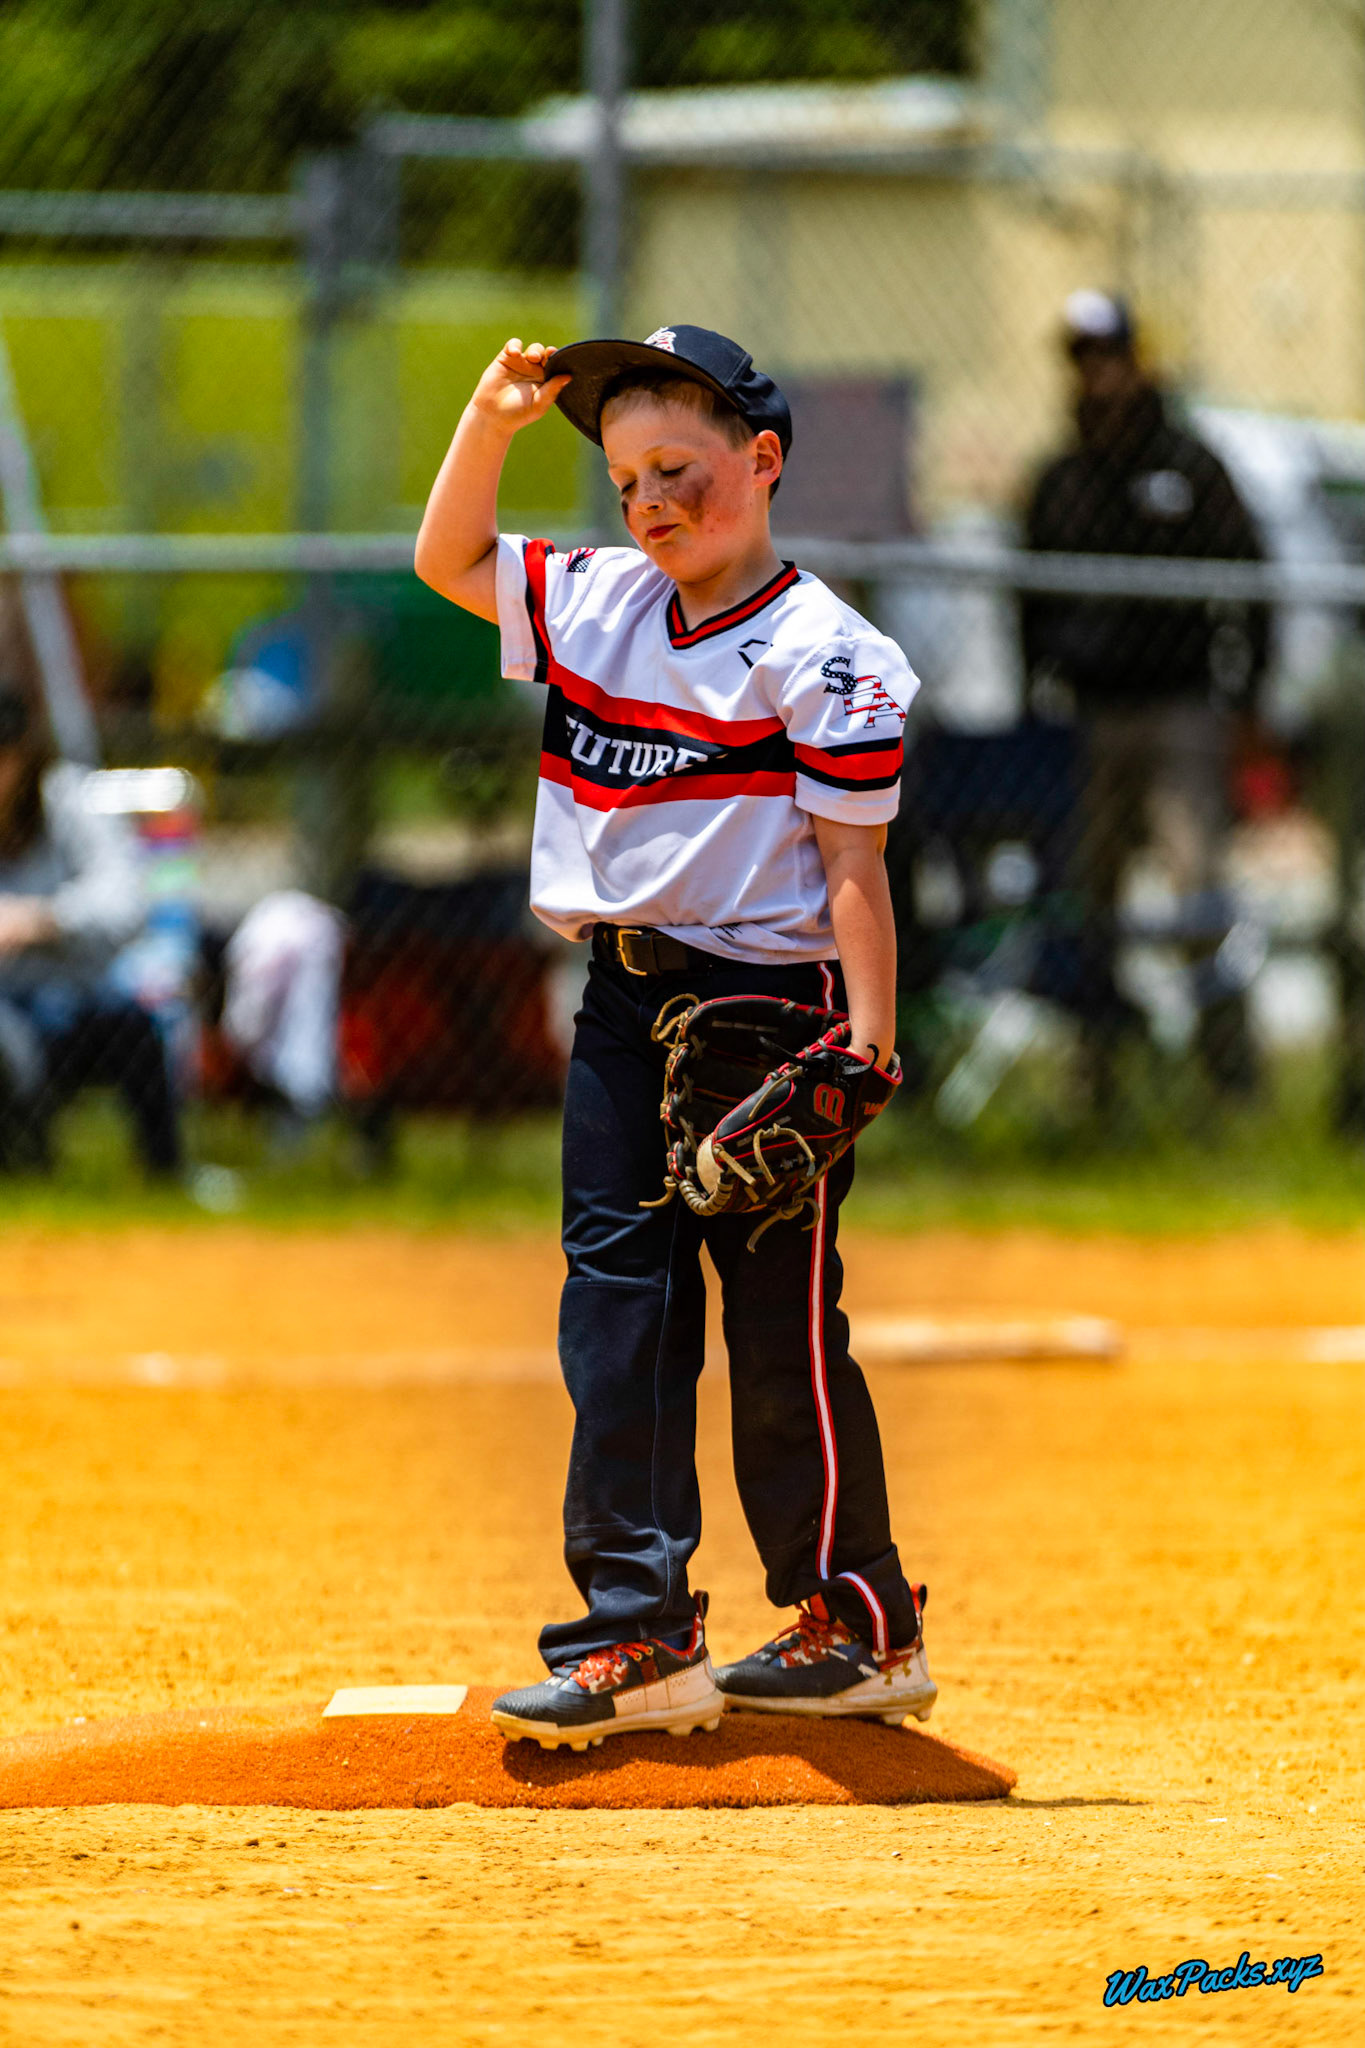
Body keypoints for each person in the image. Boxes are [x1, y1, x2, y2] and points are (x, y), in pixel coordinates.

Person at [416, 325, 934, 1747]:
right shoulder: (596, 602)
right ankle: (635, 1633)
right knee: (618, 1312)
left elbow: (854, 871)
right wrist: (491, 423)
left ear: (761, 462)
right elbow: (450, 564)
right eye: (627, 476)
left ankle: (856, 1620)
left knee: (776, 1330)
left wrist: (864, 1050)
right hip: (623, 1005)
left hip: (770, 1012)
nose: (650, 503)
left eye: (681, 470)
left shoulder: (823, 654)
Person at [1021, 290, 1269, 1100]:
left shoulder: (1189, 464)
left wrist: (1246, 692)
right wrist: (1036, 691)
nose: (1096, 375)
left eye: (1109, 356)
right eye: (1082, 359)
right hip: (1089, 714)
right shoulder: (1059, 478)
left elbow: (1249, 576)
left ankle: (1226, 1075)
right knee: (1087, 896)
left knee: (1195, 883)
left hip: (1179, 706)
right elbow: (1024, 601)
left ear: (1137, 360)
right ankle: (1094, 1076)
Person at [0, 685, 181, 1176]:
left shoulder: (70, 803)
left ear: (23, 756)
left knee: (135, 1024)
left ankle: (166, 1173)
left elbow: (127, 904)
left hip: (74, 996)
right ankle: (26, 1161)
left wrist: (44, 920)